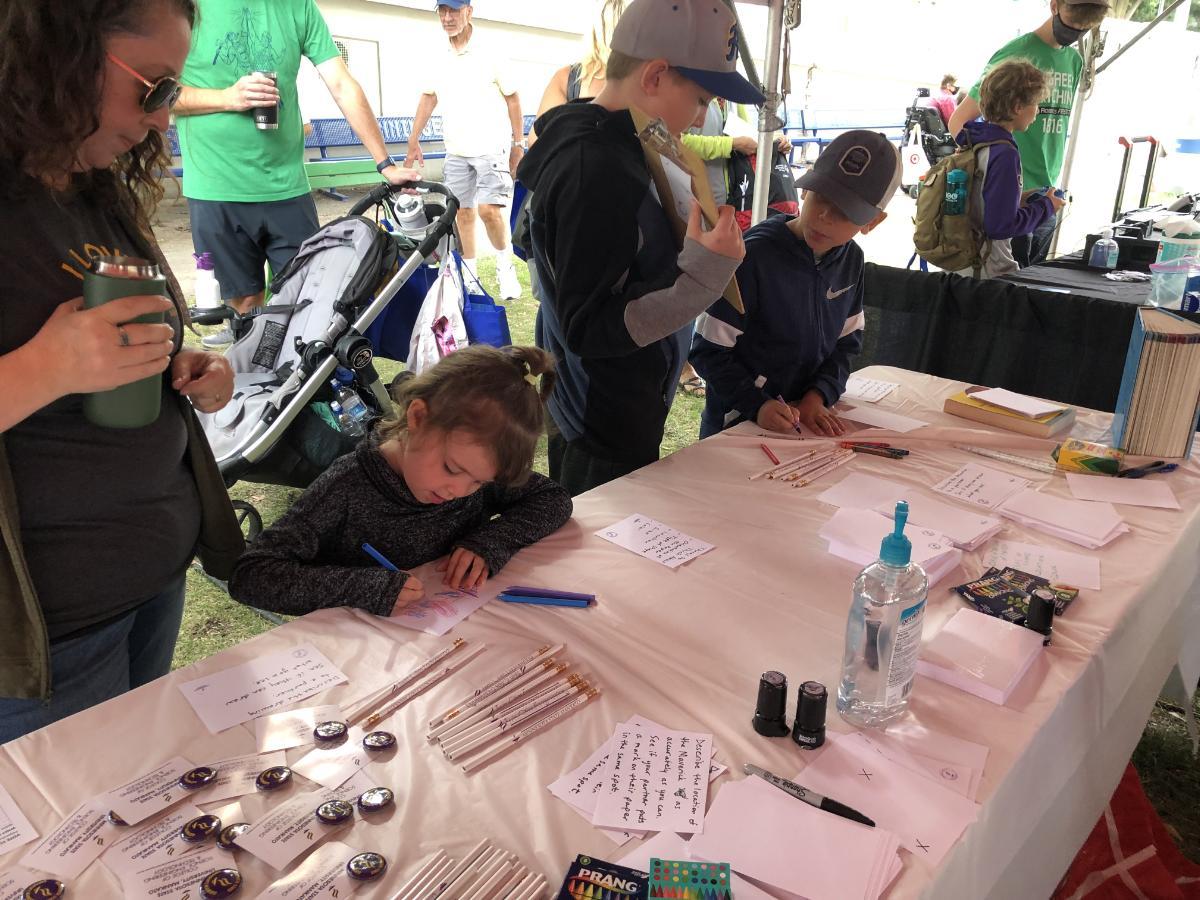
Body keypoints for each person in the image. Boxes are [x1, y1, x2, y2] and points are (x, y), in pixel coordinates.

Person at [0, 0, 245, 742]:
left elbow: (126, 347)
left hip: (150, 585)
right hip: (50, 641)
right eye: (156, 88)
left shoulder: (84, 185)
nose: (166, 118)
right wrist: (45, 367)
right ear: (62, 53)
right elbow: (56, 362)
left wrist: (192, 371)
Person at [517, 0, 762, 497]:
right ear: (654, 76)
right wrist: (703, 275)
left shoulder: (628, 135)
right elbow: (590, 327)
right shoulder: (596, 170)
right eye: (699, 99)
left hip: (627, 393)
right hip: (602, 417)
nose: (701, 118)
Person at [228, 345, 573, 614]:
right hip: (361, 654)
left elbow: (553, 498)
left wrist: (490, 542)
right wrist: (367, 588)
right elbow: (251, 575)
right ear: (419, 417)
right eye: (452, 469)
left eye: (479, 484)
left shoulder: (471, 466)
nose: (459, 491)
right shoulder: (346, 487)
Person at [174, 0, 420, 348]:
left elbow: (341, 83)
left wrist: (385, 163)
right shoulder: (188, 7)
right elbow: (160, 93)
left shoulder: (297, 6)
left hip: (287, 188)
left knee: (312, 303)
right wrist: (229, 98)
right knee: (245, 307)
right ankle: (260, 392)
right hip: (217, 188)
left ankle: (303, 395)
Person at [690, 131, 902, 439]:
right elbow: (707, 351)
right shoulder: (754, 256)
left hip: (804, 424)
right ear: (804, 190)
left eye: (845, 211)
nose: (825, 216)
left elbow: (847, 343)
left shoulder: (852, 260)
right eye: (821, 196)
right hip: (738, 426)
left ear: (872, 222)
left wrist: (818, 395)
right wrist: (756, 405)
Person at [948, 0, 1111, 267]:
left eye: (1085, 28)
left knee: (1033, 285)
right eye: (1073, 22)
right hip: (1010, 199)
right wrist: (990, 162)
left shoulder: (1074, 60)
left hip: (1047, 194)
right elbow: (959, 121)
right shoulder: (1017, 54)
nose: (1076, 31)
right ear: (1054, 6)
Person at [405, 0, 525, 302]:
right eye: (442, 11)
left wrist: (517, 143)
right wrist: (413, 139)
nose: (447, 17)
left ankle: (504, 266)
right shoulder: (437, 55)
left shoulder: (490, 50)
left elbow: (513, 98)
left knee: (489, 211)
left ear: (468, 12)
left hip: (490, 147)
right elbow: (428, 98)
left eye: (454, 11)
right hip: (456, 150)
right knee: (463, 214)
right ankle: (471, 278)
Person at [953, 59, 1066, 279]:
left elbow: (982, 199)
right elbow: (1000, 227)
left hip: (961, 262)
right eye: (1036, 104)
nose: (1037, 111)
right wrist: (1047, 206)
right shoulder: (1004, 154)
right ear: (1017, 108)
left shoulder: (973, 139)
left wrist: (1019, 200)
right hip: (989, 269)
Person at [530, 0, 628, 142]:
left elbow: (536, 141)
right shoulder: (649, 80)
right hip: (631, 163)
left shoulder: (568, 78)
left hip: (577, 162)